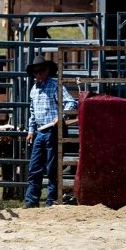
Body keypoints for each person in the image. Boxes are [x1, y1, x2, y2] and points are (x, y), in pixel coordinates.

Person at [24, 55, 77, 209]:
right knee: (34, 167)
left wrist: (61, 117)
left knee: (52, 168)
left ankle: (51, 201)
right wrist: (31, 130)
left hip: (54, 130)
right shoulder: (34, 89)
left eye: (41, 71)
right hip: (41, 131)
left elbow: (71, 102)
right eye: (36, 72)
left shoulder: (55, 86)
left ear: (47, 70)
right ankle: (31, 201)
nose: (39, 74)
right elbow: (32, 112)